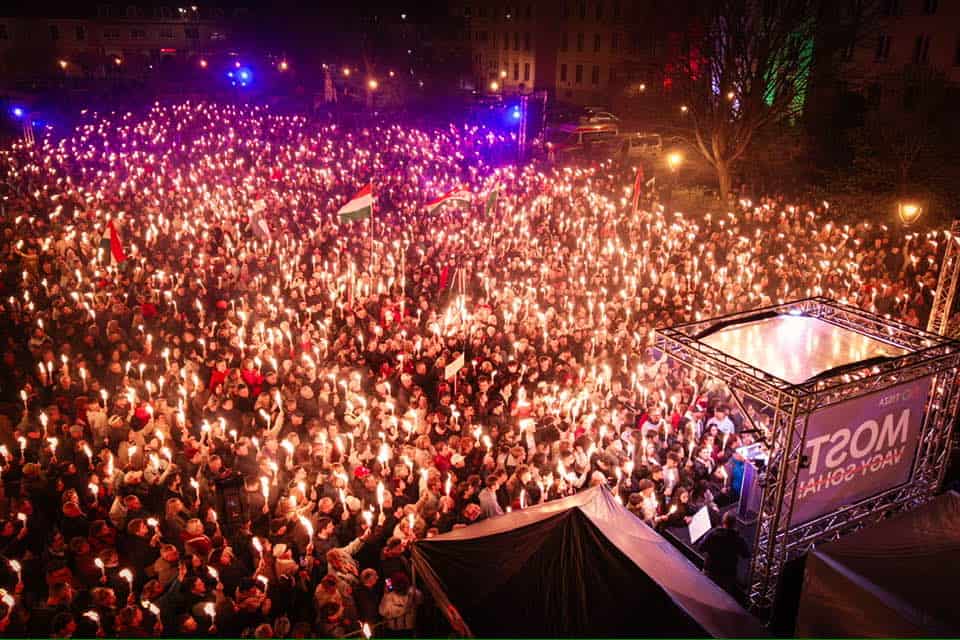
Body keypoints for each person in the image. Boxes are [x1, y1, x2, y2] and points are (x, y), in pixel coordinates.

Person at [698, 510, 750, 600]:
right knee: (722, 600)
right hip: (727, 576)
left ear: (723, 521)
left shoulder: (713, 534)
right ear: (735, 524)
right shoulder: (738, 539)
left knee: (705, 596)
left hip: (710, 571)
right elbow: (746, 554)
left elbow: (700, 548)